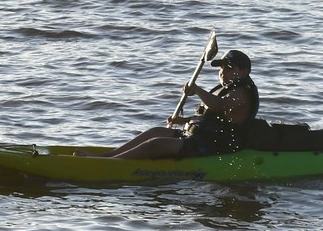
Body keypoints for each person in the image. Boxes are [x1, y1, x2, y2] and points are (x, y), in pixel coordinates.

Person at [102, 49, 258, 159]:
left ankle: (112, 163)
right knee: (155, 132)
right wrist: (182, 121)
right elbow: (212, 119)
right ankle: (109, 156)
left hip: (215, 146)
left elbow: (221, 106)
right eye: (221, 68)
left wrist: (197, 90)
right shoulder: (227, 89)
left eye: (229, 68)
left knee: (156, 144)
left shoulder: (243, 93)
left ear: (244, 71)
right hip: (198, 138)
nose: (223, 72)